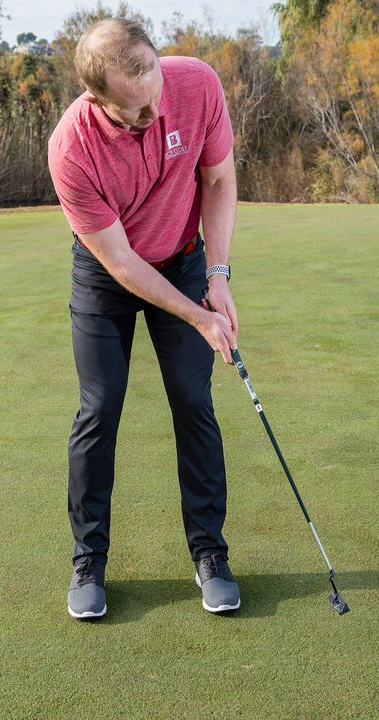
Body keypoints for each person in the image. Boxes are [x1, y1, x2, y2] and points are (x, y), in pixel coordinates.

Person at [48, 18, 242, 618]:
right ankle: (89, 561)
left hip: (184, 258)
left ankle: (210, 553)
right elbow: (123, 262)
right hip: (109, 276)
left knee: (192, 398)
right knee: (99, 406)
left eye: (156, 97)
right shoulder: (72, 148)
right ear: (95, 98)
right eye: (133, 112)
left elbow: (218, 178)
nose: (153, 116)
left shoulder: (198, 84)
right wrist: (199, 319)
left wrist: (217, 275)